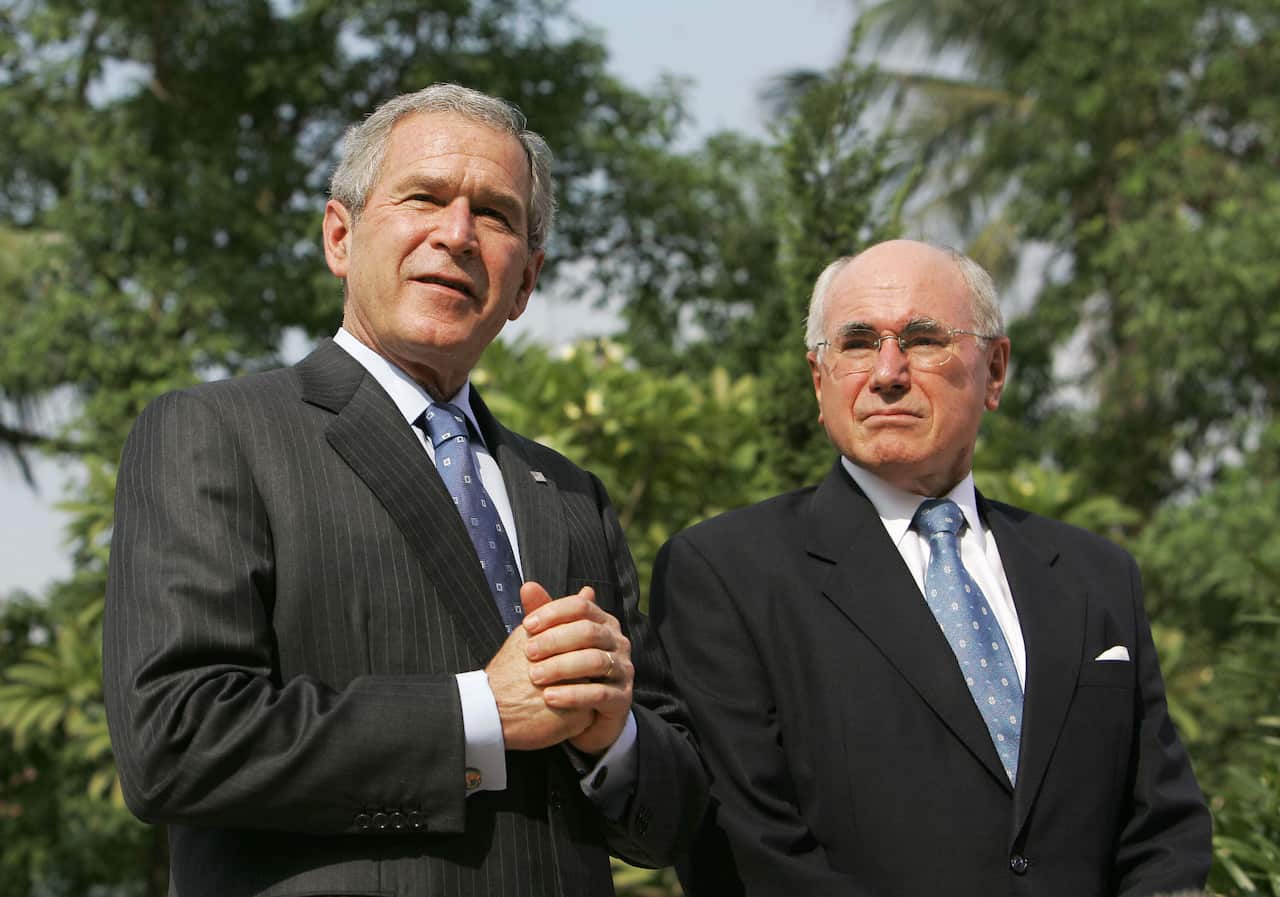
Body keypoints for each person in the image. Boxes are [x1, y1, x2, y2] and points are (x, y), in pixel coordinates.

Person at [103, 84, 706, 897]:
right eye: (424, 197)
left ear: (525, 282)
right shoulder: (219, 433)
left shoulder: (569, 493)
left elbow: (672, 818)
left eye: (495, 215)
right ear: (340, 235)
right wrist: (480, 714)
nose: (456, 234)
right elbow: (175, 739)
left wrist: (613, 737)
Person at [651, 239, 1211, 897]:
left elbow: (1164, 829)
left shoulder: (1096, 574)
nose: (887, 372)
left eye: (922, 340)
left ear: (994, 370)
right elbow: (751, 848)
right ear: (818, 379)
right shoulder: (725, 574)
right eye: (857, 343)